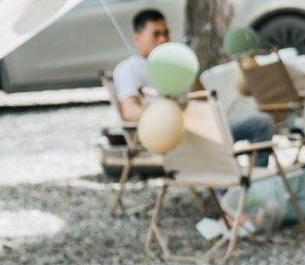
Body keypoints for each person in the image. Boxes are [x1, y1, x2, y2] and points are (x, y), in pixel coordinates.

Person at [113, 9, 274, 165]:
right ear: (137, 38)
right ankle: (225, 185)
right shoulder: (129, 68)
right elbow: (129, 111)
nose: (162, 39)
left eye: (166, 33)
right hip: (174, 132)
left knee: (261, 122)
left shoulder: (174, 62)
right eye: (156, 34)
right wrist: (168, 113)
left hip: (203, 124)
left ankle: (256, 181)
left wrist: (190, 73)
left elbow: (204, 99)